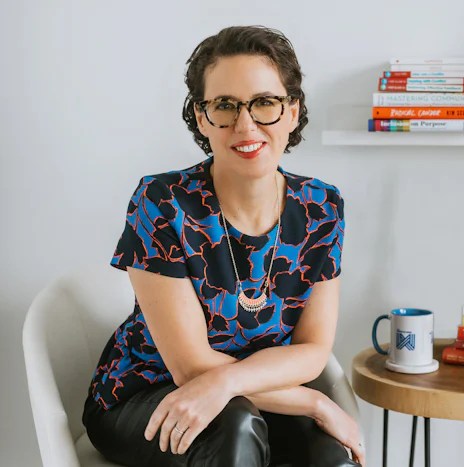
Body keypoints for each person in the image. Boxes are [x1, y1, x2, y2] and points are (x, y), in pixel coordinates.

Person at [81, 25, 364, 467]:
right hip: (146, 394)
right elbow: (190, 368)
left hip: (258, 398)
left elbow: (312, 350)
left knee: (330, 454)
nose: (245, 124)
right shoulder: (163, 202)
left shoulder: (322, 207)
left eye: (265, 103)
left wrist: (231, 383)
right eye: (225, 106)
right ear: (201, 116)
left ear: (292, 112)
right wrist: (315, 404)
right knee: (236, 426)